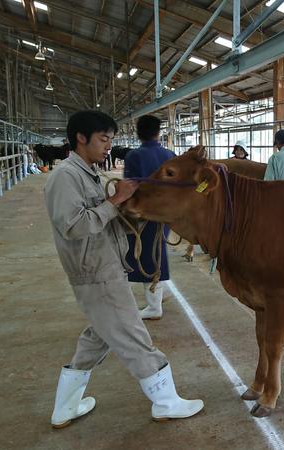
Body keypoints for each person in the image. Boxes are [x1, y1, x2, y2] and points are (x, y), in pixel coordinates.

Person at [43, 110, 203, 428]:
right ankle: (165, 401)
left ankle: (66, 407)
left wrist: (135, 210)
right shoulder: (65, 177)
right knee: (133, 335)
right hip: (96, 271)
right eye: (104, 139)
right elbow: (74, 226)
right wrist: (115, 201)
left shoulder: (88, 173)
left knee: (97, 337)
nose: (108, 147)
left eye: (111, 140)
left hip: (105, 265)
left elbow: (104, 220)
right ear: (81, 138)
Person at [124, 116, 176, 320]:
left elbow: (130, 187)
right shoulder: (169, 155)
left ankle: (154, 306)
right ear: (158, 132)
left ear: (138, 133)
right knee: (157, 250)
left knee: (148, 256)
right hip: (167, 213)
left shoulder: (134, 156)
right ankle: (161, 293)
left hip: (144, 214)